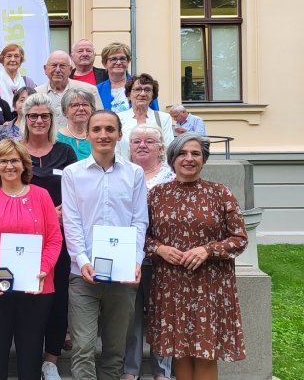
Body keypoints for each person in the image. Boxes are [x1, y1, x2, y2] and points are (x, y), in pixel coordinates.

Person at [146, 133, 248, 380]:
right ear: (172, 159)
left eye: (195, 154)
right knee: (179, 351)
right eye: (182, 153)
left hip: (209, 285)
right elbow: (142, 236)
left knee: (205, 351)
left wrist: (207, 250)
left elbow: (240, 238)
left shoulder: (220, 193)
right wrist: (159, 248)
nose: (188, 159)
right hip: (171, 285)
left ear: (204, 160)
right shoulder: (156, 195)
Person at [62, 110, 147, 380]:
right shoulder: (73, 173)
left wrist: (135, 261)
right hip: (83, 274)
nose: (103, 135)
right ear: (87, 135)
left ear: (119, 135)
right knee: (84, 346)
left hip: (123, 276)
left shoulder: (134, 173)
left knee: (114, 350)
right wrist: (82, 261)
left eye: (109, 129)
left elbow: (139, 221)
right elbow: (71, 222)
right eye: (96, 129)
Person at [0, 139, 63, 380]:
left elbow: (54, 239)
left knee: (31, 357)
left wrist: (42, 270)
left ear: (24, 165)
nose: (9, 166)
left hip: (35, 287)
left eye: (14, 160)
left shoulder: (42, 197)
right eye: (3, 161)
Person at [16, 94, 79, 380]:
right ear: (25, 120)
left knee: (57, 296)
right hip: (22, 235)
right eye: (33, 116)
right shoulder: (15, 150)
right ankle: (27, 355)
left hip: (58, 236)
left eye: (44, 116)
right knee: (26, 296)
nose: (39, 121)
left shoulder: (65, 152)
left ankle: (51, 359)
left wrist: (58, 213)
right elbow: (5, 188)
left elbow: (75, 192)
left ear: (52, 120)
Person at [122, 124, 174, 380]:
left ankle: (162, 370)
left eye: (149, 141)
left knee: (161, 314)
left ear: (161, 148)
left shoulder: (172, 177)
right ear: (129, 147)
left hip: (162, 257)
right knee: (130, 314)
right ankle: (130, 370)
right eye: (137, 141)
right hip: (128, 253)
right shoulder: (122, 174)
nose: (142, 145)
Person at [35, 51, 103, 127]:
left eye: (62, 66)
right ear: (45, 69)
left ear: (70, 69)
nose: (57, 70)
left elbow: (99, 120)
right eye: (54, 65)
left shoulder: (89, 90)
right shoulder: (36, 93)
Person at [115, 74, 175, 159]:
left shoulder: (163, 118)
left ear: (152, 96)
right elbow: (115, 149)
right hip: (125, 169)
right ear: (128, 95)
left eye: (147, 90)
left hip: (156, 170)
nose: (143, 94)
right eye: (138, 89)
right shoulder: (118, 118)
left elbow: (168, 149)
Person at [57, 87, 97, 160]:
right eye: (75, 105)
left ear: (92, 110)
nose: (81, 109)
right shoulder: (56, 139)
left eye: (85, 104)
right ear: (65, 111)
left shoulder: (98, 137)